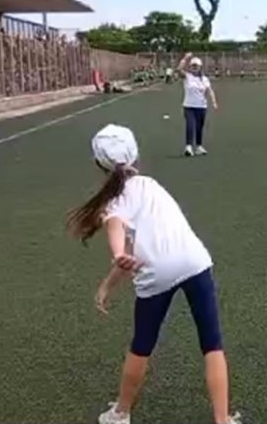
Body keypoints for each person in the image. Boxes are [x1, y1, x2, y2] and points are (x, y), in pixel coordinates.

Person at [66, 124, 239, 424]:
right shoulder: (150, 184)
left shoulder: (113, 201)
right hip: (195, 261)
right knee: (212, 343)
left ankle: (121, 413)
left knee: (142, 345)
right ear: (134, 156)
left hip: (157, 272)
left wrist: (117, 257)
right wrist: (113, 273)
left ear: (99, 164)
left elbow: (117, 230)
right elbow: (122, 241)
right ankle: (222, 420)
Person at [179, 52, 218, 157]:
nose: (194, 68)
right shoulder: (187, 77)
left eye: (196, 66)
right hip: (189, 106)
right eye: (193, 66)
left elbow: (209, 91)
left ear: (200, 67)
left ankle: (199, 146)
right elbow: (179, 69)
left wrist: (214, 101)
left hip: (201, 106)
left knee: (199, 127)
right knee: (190, 125)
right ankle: (188, 146)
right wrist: (185, 58)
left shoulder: (204, 79)